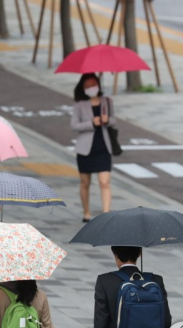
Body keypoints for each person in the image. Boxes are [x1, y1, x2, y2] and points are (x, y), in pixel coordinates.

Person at [93, 246, 172, 328]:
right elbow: (166, 323)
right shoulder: (156, 281)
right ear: (139, 253)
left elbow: (100, 326)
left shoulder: (105, 281)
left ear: (115, 253)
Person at [71, 73, 115, 222]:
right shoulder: (79, 105)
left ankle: (106, 213)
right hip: (85, 149)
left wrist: (107, 120)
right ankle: (87, 213)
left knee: (104, 182)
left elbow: (113, 120)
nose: (91, 88)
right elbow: (74, 125)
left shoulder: (107, 101)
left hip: (103, 147)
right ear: (83, 88)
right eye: (88, 86)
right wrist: (91, 122)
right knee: (85, 183)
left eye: (93, 84)